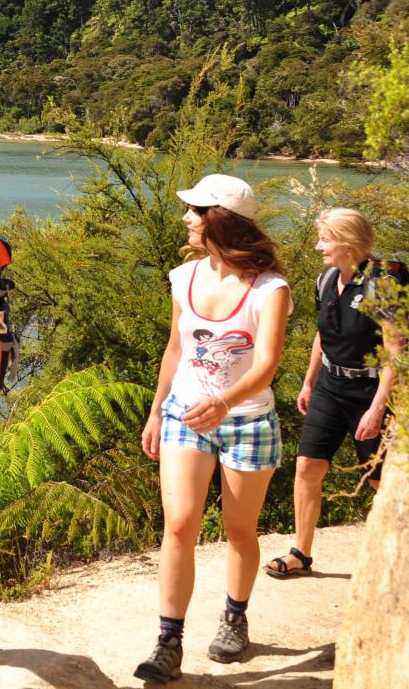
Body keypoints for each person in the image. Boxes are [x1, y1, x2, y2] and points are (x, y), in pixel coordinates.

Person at [133, 174, 293, 685]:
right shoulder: (183, 277)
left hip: (247, 422)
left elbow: (267, 364)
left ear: (220, 220)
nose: (186, 218)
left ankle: (234, 616)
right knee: (178, 523)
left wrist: (224, 403)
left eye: (195, 211)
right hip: (185, 415)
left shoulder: (271, 289)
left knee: (239, 531)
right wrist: (158, 410)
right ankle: (168, 642)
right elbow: (175, 349)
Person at [264, 208, 409, 578]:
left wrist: (377, 408)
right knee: (308, 466)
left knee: (380, 479)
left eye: (325, 239)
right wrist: (309, 381)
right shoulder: (327, 278)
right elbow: (323, 333)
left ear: (348, 242)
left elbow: (397, 350)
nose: (318, 246)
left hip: (372, 391)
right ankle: (300, 553)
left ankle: (398, 558)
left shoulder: (384, 285)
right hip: (331, 385)